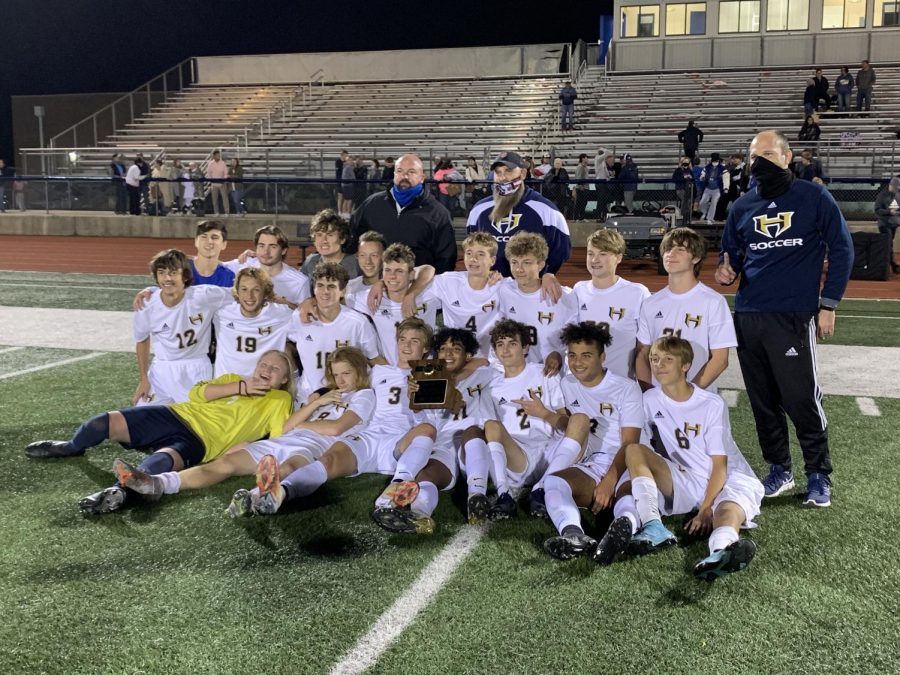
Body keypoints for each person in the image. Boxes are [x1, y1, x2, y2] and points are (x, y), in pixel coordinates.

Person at [716, 129, 853, 508]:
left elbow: (842, 248)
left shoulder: (813, 197)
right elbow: (732, 258)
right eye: (754, 156)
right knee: (762, 401)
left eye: (769, 156)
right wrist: (725, 273)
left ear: (788, 157)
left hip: (793, 315)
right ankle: (779, 467)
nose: (760, 163)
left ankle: (818, 474)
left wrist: (828, 304)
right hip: (748, 315)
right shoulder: (742, 206)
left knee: (801, 397)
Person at [25, 350, 294, 515]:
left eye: (274, 369)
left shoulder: (279, 400)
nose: (266, 370)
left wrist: (251, 443)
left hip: (201, 442)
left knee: (161, 462)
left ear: (284, 379)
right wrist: (240, 388)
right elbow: (197, 393)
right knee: (102, 422)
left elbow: (280, 436)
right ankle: (71, 446)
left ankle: (117, 492)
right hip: (175, 414)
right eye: (264, 364)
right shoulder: (233, 379)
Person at [113, 346, 373, 511]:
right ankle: (156, 484)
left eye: (346, 374)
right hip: (287, 438)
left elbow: (337, 428)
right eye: (336, 374)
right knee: (226, 462)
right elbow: (285, 427)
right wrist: (315, 403)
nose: (340, 380)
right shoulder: (324, 395)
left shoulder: (364, 396)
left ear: (358, 372)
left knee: (289, 467)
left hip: (313, 445)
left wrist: (306, 420)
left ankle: (255, 497)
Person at [234, 318, 439, 517]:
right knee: (329, 459)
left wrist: (418, 400)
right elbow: (349, 381)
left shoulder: (433, 378)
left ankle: (397, 486)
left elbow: (434, 420)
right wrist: (321, 392)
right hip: (369, 436)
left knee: (428, 429)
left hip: (400, 441)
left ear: (426, 348)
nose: (406, 345)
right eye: (402, 339)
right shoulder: (379, 371)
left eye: (415, 341)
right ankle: (270, 494)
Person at [598, 336, 763, 581]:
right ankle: (654, 526)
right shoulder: (650, 399)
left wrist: (706, 509)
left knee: (726, 511)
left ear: (685, 366)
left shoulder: (711, 403)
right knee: (633, 450)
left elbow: (720, 465)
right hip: (686, 476)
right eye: (654, 359)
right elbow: (632, 440)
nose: (659, 365)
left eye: (668, 359)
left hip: (728, 477)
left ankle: (720, 552)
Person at [371, 327, 499, 534]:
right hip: (439, 445)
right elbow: (421, 421)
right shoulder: (425, 379)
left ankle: (476, 496)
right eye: (442, 349)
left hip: (470, 448)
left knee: (473, 430)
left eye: (455, 349)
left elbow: (489, 363)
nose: (447, 354)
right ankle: (420, 515)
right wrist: (415, 402)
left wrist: (460, 373)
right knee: (427, 476)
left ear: (468, 355)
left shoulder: (483, 374)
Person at [537, 322, 643, 560]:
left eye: (586, 355)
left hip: (626, 461)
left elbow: (630, 444)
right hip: (593, 463)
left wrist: (608, 481)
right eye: (572, 355)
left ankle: (624, 526)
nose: (577, 362)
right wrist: (543, 413)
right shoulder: (568, 383)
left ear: (602, 357)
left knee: (628, 495)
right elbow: (571, 426)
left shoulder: (626, 388)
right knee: (554, 482)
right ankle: (573, 535)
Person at [636, 227, 736, 393]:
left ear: (696, 257)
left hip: (697, 399)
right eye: (668, 248)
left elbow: (720, 360)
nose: (671, 254)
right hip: (658, 401)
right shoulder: (650, 303)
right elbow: (642, 353)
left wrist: (687, 394)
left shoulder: (713, 302)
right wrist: (648, 392)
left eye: (680, 249)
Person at [484, 319, 566, 520]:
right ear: (494, 350)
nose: (505, 350)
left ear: (525, 347)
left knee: (577, 429)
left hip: (551, 452)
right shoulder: (492, 387)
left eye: (512, 343)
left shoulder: (545, 373)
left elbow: (565, 421)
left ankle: (540, 489)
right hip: (518, 454)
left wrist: (543, 413)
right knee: (491, 425)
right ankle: (504, 494)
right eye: (500, 345)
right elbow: (492, 433)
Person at [131, 249, 235, 406]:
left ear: (185, 276)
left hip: (196, 368)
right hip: (161, 370)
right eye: (161, 273)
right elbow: (141, 340)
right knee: (140, 417)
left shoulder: (204, 295)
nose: (167, 278)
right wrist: (144, 379)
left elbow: (240, 293)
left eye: (173, 273)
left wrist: (273, 297)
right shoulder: (146, 305)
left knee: (199, 424)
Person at [467, 151, 571, 288]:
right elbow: (474, 246)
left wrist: (546, 273)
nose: (502, 177)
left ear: (522, 173)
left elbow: (561, 250)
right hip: (490, 288)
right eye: (498, 172)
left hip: (529, 290)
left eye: (508, 171)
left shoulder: (546, 210)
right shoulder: (479, 210)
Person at [288, 261, 382, 403]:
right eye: (320, 285)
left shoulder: (358, 322)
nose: (325, 292)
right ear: (314, 289)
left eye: (331, 286)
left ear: (342, 291)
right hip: (307, 396)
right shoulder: (299, 316)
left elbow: (374, 359)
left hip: (345, 397)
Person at [348, 153, 457, 274]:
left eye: (411, 172)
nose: (404, 176)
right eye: (399, 171)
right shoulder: (372, 204)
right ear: (394, 174)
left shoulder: (438, 213)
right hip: (374, 287)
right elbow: (351, 240)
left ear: (422, 177)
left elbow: (446, 260)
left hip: (418, 289)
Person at [497, 232, 579, 376]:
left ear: (540, 264)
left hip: (551, 377)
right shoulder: (502, 290)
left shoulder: (564, 297)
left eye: (527, 263)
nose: (519, 269)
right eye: (514, 262)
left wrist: (559, 355)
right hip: (514, 376)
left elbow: (576, 343)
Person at [573, 228, 650, 380]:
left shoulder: (637, 293)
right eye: (590, 253)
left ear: (618, 258)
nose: (595, 260)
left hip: (619, 384)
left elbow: (644, 349)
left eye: (603, 254)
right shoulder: (578, 290)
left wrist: (644, 387)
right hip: (581, 385)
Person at [428, 232, 505, 359]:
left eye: (480, 254)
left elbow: (529, 287)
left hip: (489, 362)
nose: (473, 259)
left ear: (492, 260)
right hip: (453, 359)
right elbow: (416, 274)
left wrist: (548, 276)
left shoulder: (502, 286)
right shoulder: (448, 281)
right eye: (469, 253)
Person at [365, 243, 440, 365]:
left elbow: (428, 269)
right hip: (393, 374)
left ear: (411, 274)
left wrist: (411, 295)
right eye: (387, 270)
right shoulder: (371, 297)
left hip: (426, 371)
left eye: (399, 271)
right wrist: (380, 283)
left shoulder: (428, 294)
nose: (392, 276)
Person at [212, 267, 293, 378]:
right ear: (237, 291)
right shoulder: (221, 312)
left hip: (263, 388)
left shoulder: (281, 315)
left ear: (265, 292)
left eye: (256, 290)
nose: (249, 296)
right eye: (244, 289)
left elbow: (305, 313)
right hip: (227, 388)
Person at [223, 225, 311, 308]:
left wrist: (284, 304)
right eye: (261, 246)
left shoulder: (300, 282)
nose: (266, 252)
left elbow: (306, 315)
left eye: (273, 247)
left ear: (283, 250)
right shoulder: (244, 264)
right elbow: (213, 266)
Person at [300, 209, 362, 279]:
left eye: (330, 235)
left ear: (342, 239)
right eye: (319, 235)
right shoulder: (310, 262)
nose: (324, 240)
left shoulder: (356, 265)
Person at [189, 220, 235, 287]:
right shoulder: (181, 270)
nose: (209, 241)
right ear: (196, 242)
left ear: (224, 244)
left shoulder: (229, 277)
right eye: (204, 237)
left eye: (214, 237)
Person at [874, 177, 900, 273]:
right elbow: (877, 210)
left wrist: (895, 214)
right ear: (891, 185)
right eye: (895, 188)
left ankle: (888, 265)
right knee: (888, 244)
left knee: (889, 244)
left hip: (894, 223)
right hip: (884, 223)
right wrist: (889, 212)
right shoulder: (882, 195)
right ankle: (892, 265)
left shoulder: (897, 195)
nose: (896, 190)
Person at [698, 153, 728, 223]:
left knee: (714, 203)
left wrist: (726, 188)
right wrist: (702, 177)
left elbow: (726, 178)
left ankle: (710, 218)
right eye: (714, 161)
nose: (715, 163)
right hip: (708, 188)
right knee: (702, 202)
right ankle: (704, 212)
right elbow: (703, 174)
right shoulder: (707, 167)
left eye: (716, 161)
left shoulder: (723, 169)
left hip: (717, 189)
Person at [206, 150, 229, 215]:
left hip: (222, 183)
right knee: (214, 199)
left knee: (225, 198)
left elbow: (226, 173)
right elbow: (209, 173)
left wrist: (223, 180)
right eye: (217, 155)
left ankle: (227, 212)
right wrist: (211, 182)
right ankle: (216, 212)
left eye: (219, 155)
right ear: (214, 156)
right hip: (214, 183)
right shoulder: (210, 164)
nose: (218, 156)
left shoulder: (223, 163)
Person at [672, 157, 695, 225]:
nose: (686, 163)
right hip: (680, 189)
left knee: (688, 202)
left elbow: (693, 179)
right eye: (685, 162)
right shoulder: (678, 170)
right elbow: (674, 179)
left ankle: (686, 217)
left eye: (687, 162)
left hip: (689, 189)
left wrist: (689, 179)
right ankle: (683, 217)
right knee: (685, 202)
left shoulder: (690, 170)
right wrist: (684, 179)